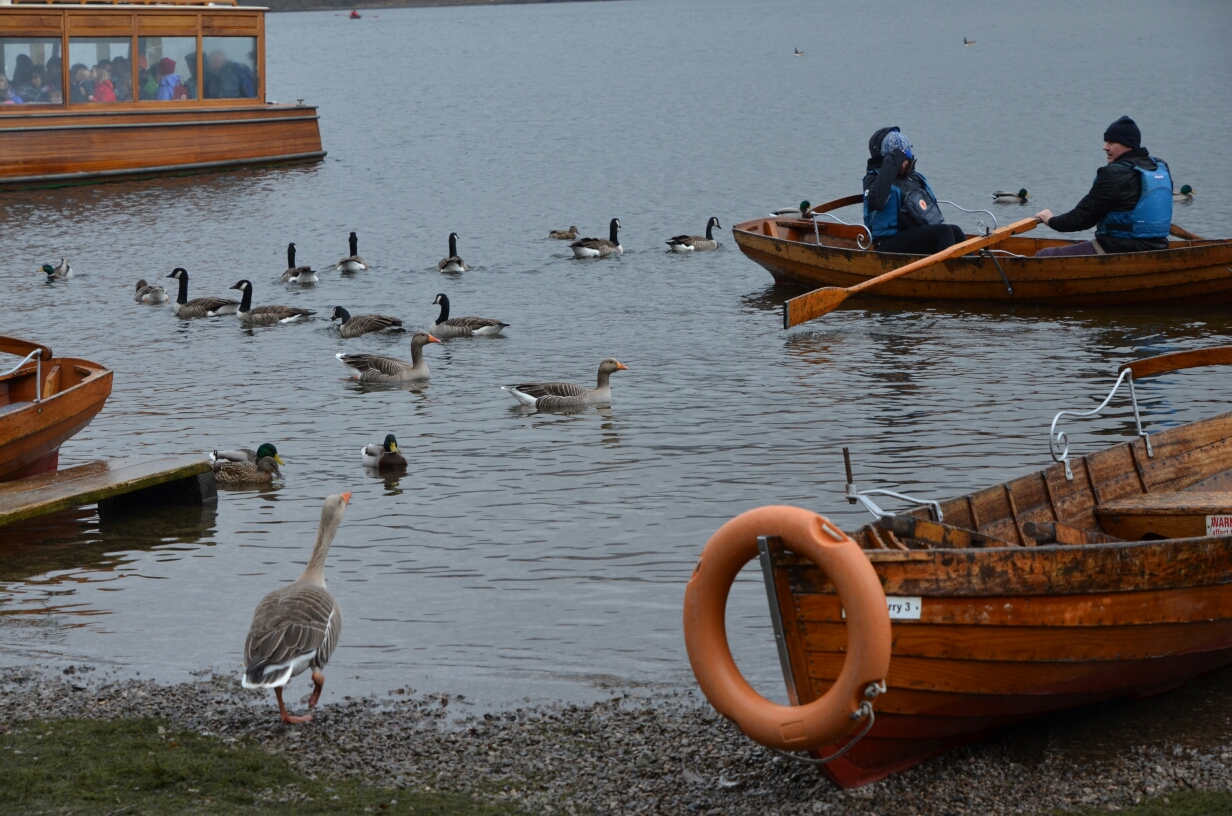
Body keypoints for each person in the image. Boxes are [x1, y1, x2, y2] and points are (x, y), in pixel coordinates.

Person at [1034, 116, 1173, 256]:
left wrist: (1051, 221)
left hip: (1117, 248)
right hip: (1158, 246)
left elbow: (1082, 218)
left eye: (1112, 142)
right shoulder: (1159, 168)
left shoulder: (1113, 174)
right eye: (1106, 141)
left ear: (1129, 145)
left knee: (1044, 255)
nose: (1105, 147)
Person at [863, 127, 965, 254]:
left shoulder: (913, 177)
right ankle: (949, 272)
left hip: (910, 235)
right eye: (900, 159)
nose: (904, 164)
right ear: (888, 159)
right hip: (886, 241)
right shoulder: (873, 178)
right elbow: (876, 202)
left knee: (956, 231)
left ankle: (973, 268)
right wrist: (890, 166)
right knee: (944, 232)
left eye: (906, 159)